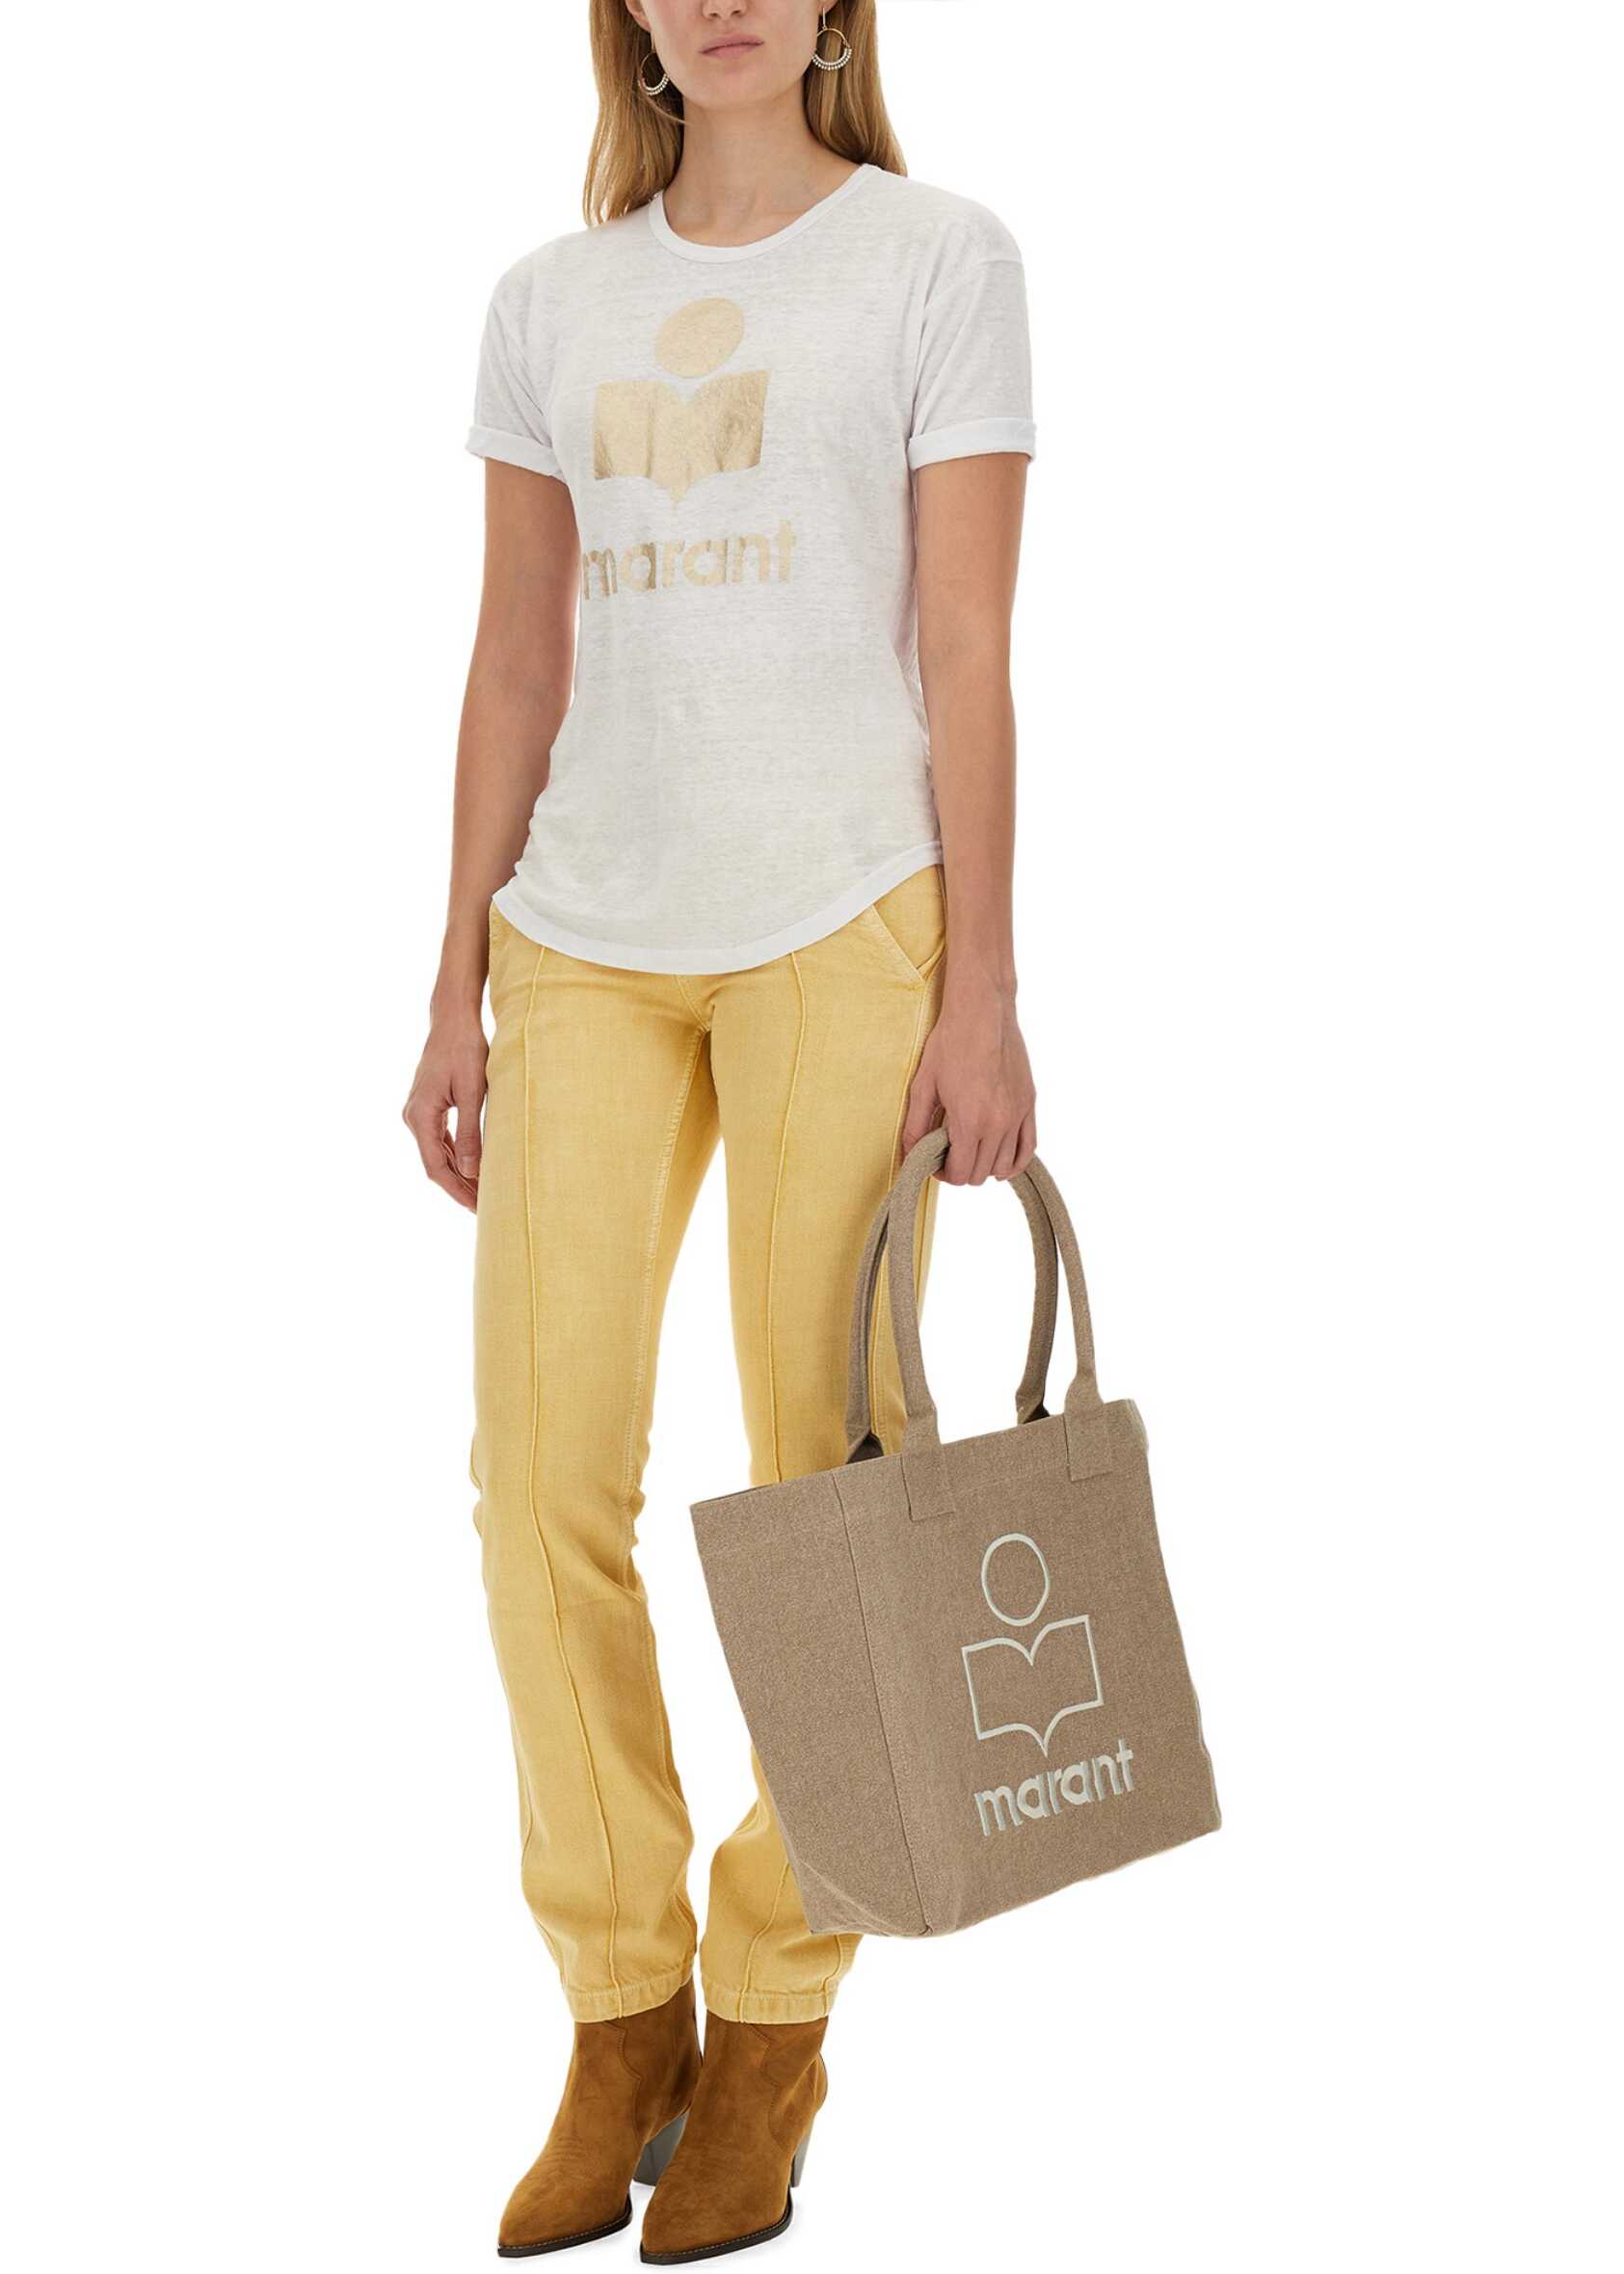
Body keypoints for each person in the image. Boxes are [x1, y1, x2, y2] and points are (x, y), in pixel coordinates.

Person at [403, 2, 1038, 2258]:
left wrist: (984, 988)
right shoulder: (546, 302)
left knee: (831, 1495)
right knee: (535, 1482)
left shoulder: (940, 259)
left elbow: (967, 648)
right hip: (584, 934)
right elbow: (517, 657)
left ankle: (775, 2005)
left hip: (847, 920)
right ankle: (620, 2009)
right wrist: (453, 974)